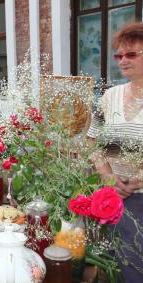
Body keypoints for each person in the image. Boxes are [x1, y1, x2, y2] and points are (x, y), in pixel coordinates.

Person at [87, 22, 143, 282]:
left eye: (131, 54)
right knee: (111, 264)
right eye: (118, 55)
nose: (122, 60)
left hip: (140, 198)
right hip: (111, 196)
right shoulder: (109, 96)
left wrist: (136, 181)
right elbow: (92, 140)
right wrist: (107, 175)